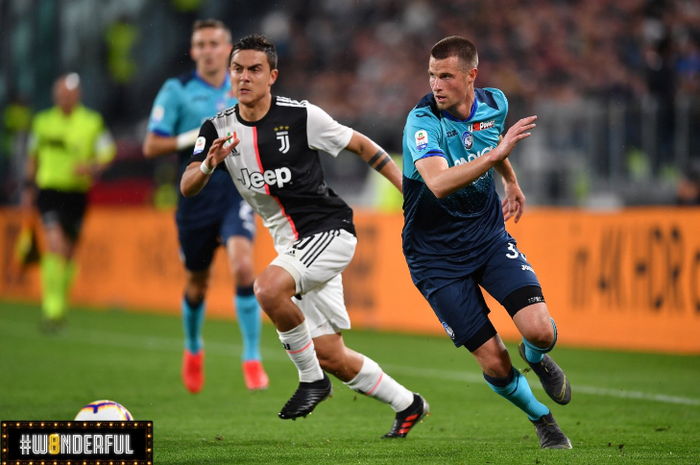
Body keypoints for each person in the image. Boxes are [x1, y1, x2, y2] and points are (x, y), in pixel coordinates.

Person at [181, 34, 429, 438]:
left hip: (330, 231)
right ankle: (409, 404)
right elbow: (187, 184)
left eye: (254, 69)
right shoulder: (217, 128)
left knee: (266, 289)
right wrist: (208, 165)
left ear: (272, 76)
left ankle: (312, 382)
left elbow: (362, 146)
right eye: (238, 69)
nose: (244, 77)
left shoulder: (301, 117)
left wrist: (408, 190)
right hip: (294, 247)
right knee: (331, 353)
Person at [401, 36, 572, 450]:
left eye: (445, 76)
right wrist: (498, 160)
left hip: (487, 238)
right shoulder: (422, 121)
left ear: (471, 76)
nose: (435, 84)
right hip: (435, 259)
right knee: (494, 360)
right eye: (431, 75)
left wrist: (511, 181)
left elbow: (492, 141)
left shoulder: (494, 103)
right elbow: (439, 184)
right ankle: (542, 419)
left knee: (541, 331)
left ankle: (535, 358)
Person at [142, 19, 268, 393]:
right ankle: (194, 349)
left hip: (236, 190)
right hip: (195, 192)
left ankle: (252, 357)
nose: (208, 50)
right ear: (194, 50)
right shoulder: (176, 90)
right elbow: (151, 146)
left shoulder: (243, 87)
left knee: (244, 266)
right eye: (201, 44)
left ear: (228, 48)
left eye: (215, 43)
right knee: (197, 283)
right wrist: (194, 134)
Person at [22, 73, 116, 333]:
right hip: (49, 190)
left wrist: (92, 166)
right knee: (54, 243)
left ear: (77, 95)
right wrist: (28, 186)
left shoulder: (92, 122)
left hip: (77, 193)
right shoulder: (42, 122)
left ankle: (60, 302)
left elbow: (108, 153)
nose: (62, 98)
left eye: (67, 94)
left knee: (70, 252)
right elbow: (32, 155)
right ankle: (52, 307)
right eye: (59, 94)